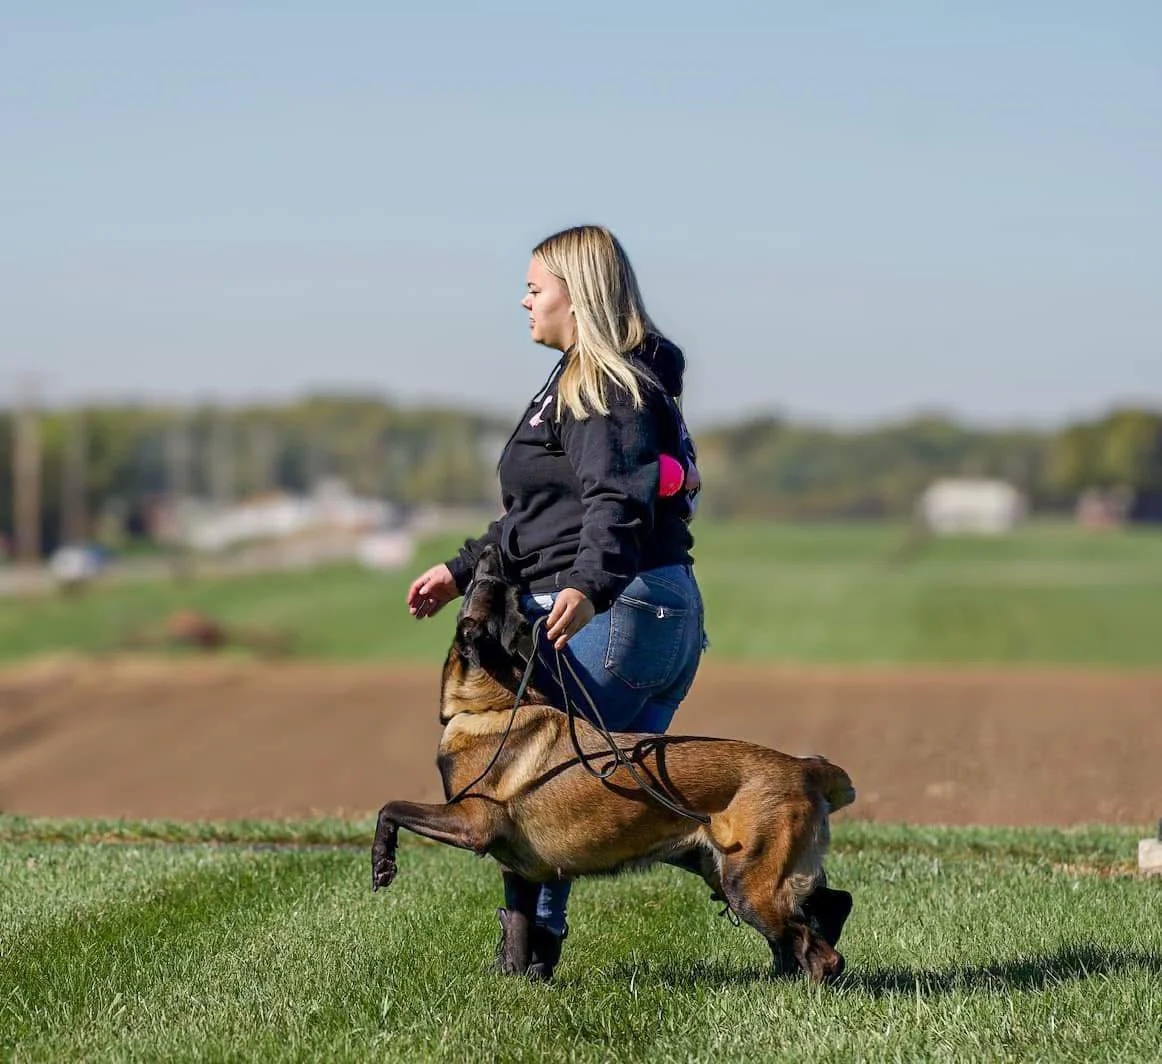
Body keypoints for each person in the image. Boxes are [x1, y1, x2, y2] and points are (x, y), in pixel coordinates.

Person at [405, 224, 708, 980]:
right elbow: (542, 516)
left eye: (535, 288)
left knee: (528, 787)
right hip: (655, 612)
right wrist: (460, 567)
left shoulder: (599, 386)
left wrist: (586, 586)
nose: (523, 300)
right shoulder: (598, 380)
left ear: (576, 294)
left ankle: (525, 968)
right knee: (620, 806)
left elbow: (612, 502)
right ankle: (802, 918)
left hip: (614, 610)